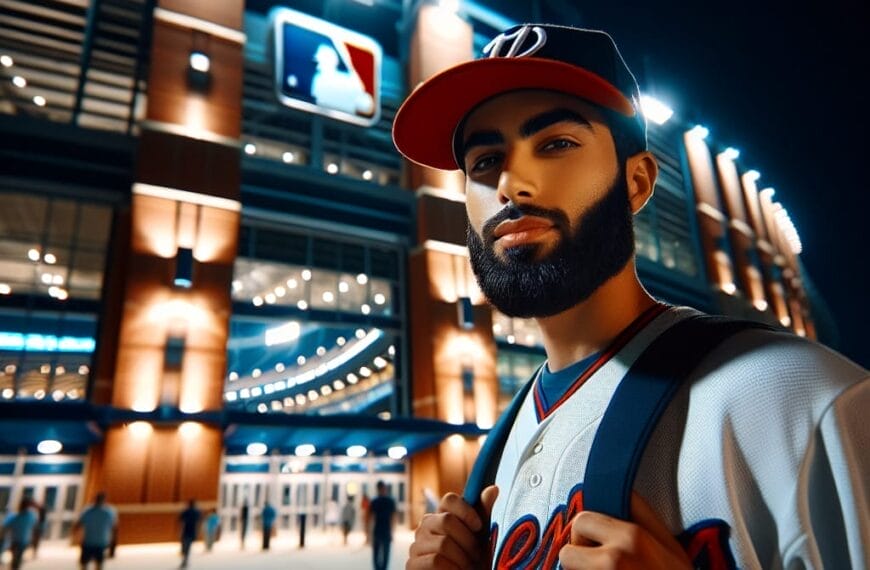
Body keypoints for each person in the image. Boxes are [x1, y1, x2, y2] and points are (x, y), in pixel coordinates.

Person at [392, 23, 869, 570]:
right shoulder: (499, 451)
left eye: (555, 144)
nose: (510, 182)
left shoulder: (804, 396)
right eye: (484, 161)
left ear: (637, 183)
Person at [74, 492, 117, 570]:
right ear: (104, 500)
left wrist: (76, 538)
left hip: (89, 542)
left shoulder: (87, 511)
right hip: (100, 542)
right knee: (98, 564)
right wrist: (112, 544)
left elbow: (77, 525)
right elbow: (114, 528)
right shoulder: (109, 512)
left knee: (85, 564)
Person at [365, 481, 395, 570]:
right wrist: (392, 531)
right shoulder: (390, 501)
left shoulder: (374, 501)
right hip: (385, 531)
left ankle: (378, 568)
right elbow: (393, 518)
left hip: (378, 531)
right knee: (385, 554)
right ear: (384, 488)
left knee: (376, 554)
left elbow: (369, 518)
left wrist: (367, 533)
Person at [1, 498, 37, 570]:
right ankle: (14, 566)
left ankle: (14, 566)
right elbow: (33, 528)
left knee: (16, 558)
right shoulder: (31, 516)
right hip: (20, 540)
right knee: (17, 558)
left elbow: (5, 527)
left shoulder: (14, 516)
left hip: (17, 540)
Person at [178, 499, 200, 568]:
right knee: (188, 547)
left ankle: (184, 560)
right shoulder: (197, 512)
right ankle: (185, 559)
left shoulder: (186, 511)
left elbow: (180, 519)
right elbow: (198, 521)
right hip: (192, 531)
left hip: (185, 531)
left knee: (184, 546)